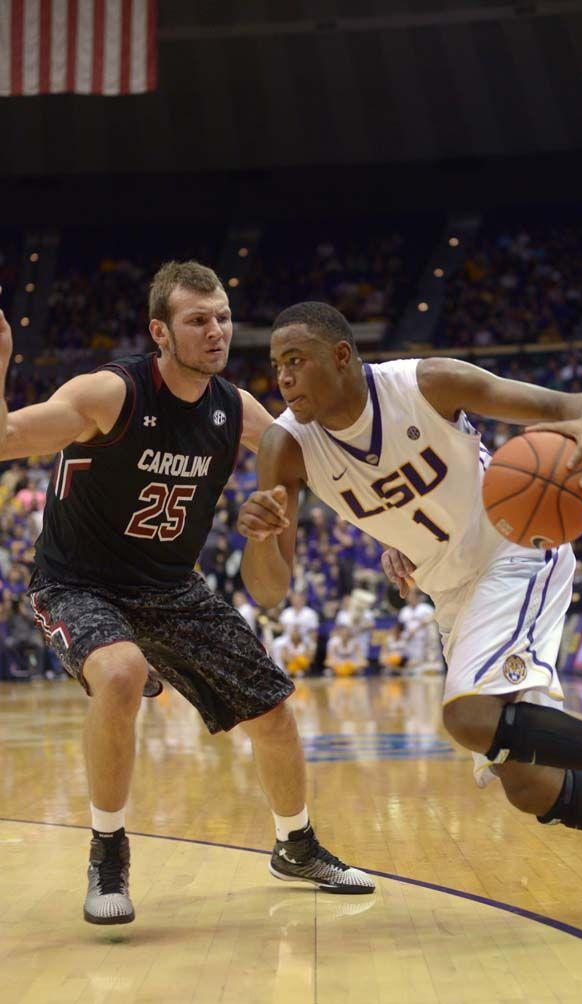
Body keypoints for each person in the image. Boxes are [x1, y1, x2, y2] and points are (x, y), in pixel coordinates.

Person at [0, 272, 373, 926]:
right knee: (121, 672)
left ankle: (296, 844)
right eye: (199, 320)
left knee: (276, 712)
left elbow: (328, 466)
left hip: (170, 587)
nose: (217, 332)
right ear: (160, 332)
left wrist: (390, 534)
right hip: (77, 582)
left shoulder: (234, 411)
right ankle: (108, 851)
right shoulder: (110, 394)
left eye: (223, 318)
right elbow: (7, 439)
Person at [238, 300, 582, 847]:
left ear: (341, 355)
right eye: (277, 364)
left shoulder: (426, 383)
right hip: (449, 591)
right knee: (529, 784)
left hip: (513, 551)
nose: (283, 376)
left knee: (469, 717)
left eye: (296, 359)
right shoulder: (285, 446)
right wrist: (258, 538)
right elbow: (270, 591)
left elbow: (577, 404)